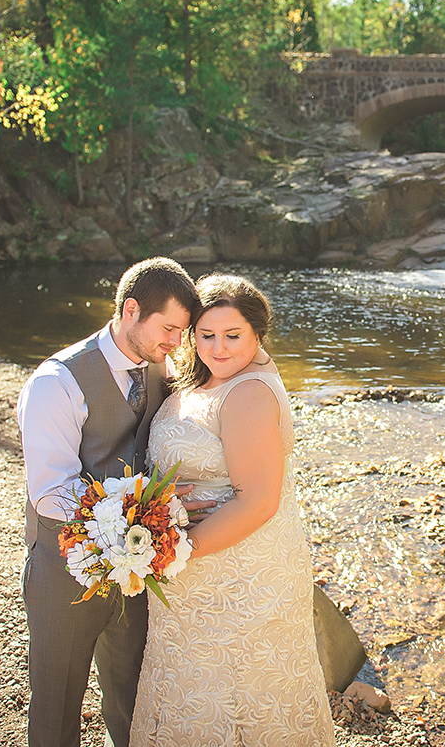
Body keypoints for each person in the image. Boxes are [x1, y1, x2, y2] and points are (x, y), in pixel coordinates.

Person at [129, 274, 334, 745]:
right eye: (206, 335)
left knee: (239, 692)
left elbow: (259, 502)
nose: (218, 349)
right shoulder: (211, 378)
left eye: (233, 336)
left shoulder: (247, 394)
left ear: (258, 334)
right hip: (197, 576)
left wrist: (170, 551)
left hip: (237, 577)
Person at [17, 257, 199, 747]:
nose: (176, 344)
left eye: (183, 332)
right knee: (56, 704)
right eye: (169, 329)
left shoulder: (161, 367)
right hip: (63, 567)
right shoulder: (56, 383)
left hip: (139, 566)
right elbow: (52, 493)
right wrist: (139, 510)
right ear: (131, 309)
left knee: (131, 695)